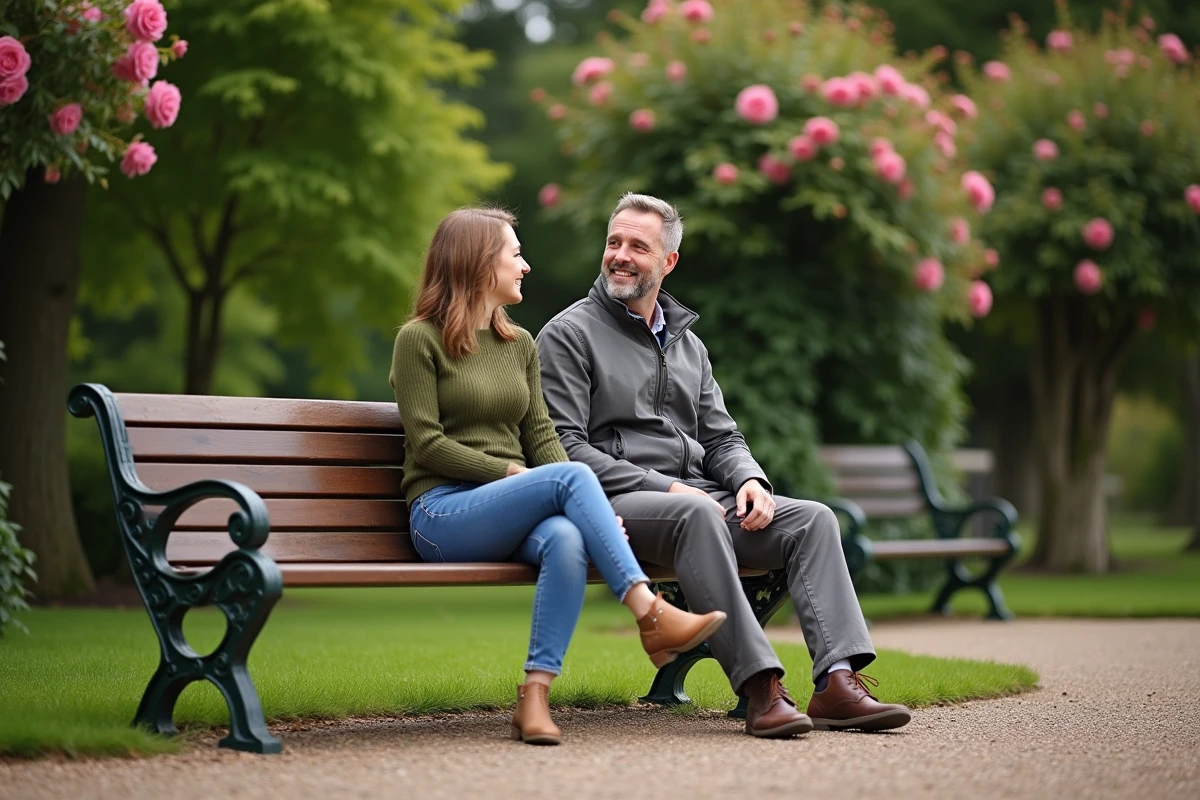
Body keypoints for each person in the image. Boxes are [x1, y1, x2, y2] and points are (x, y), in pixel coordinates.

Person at [535, 193, 912, 738]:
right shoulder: (569, 334)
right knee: (698, 515)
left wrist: (749, 478)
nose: (620, 255)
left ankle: (836, 683)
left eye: (638, 246)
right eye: (614, 242)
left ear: (668, 261)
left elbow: (721, 437)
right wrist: (667, 488)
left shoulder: (688, 345)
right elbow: (564, 447)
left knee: (812, 520)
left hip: (699, 498)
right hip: (614, 503)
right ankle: (761, 689)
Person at [389, 207, 728, 746]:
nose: (525, 266)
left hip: (510, 508)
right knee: (568, 480)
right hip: (443, 512)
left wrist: (592, 511)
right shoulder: (419, 340)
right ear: (478, 263)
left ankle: (535, 695)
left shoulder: (519, 344)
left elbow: (546, 439)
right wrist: (512, 472)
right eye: (515, 254)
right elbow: (428, 445)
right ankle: (649, 612)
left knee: (568, 538)